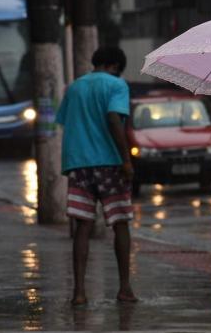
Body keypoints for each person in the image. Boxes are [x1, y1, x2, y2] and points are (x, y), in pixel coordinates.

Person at [56, 47, 137, 305]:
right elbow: (114, 119)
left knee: (83, 226)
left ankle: (79, 292)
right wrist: (126, 160)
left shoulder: (75, 87)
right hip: (110, 164)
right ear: (115, 66)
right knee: (120, 222)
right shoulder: (117, 85)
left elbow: (65, 121)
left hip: (78, 164)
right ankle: (124, 288)